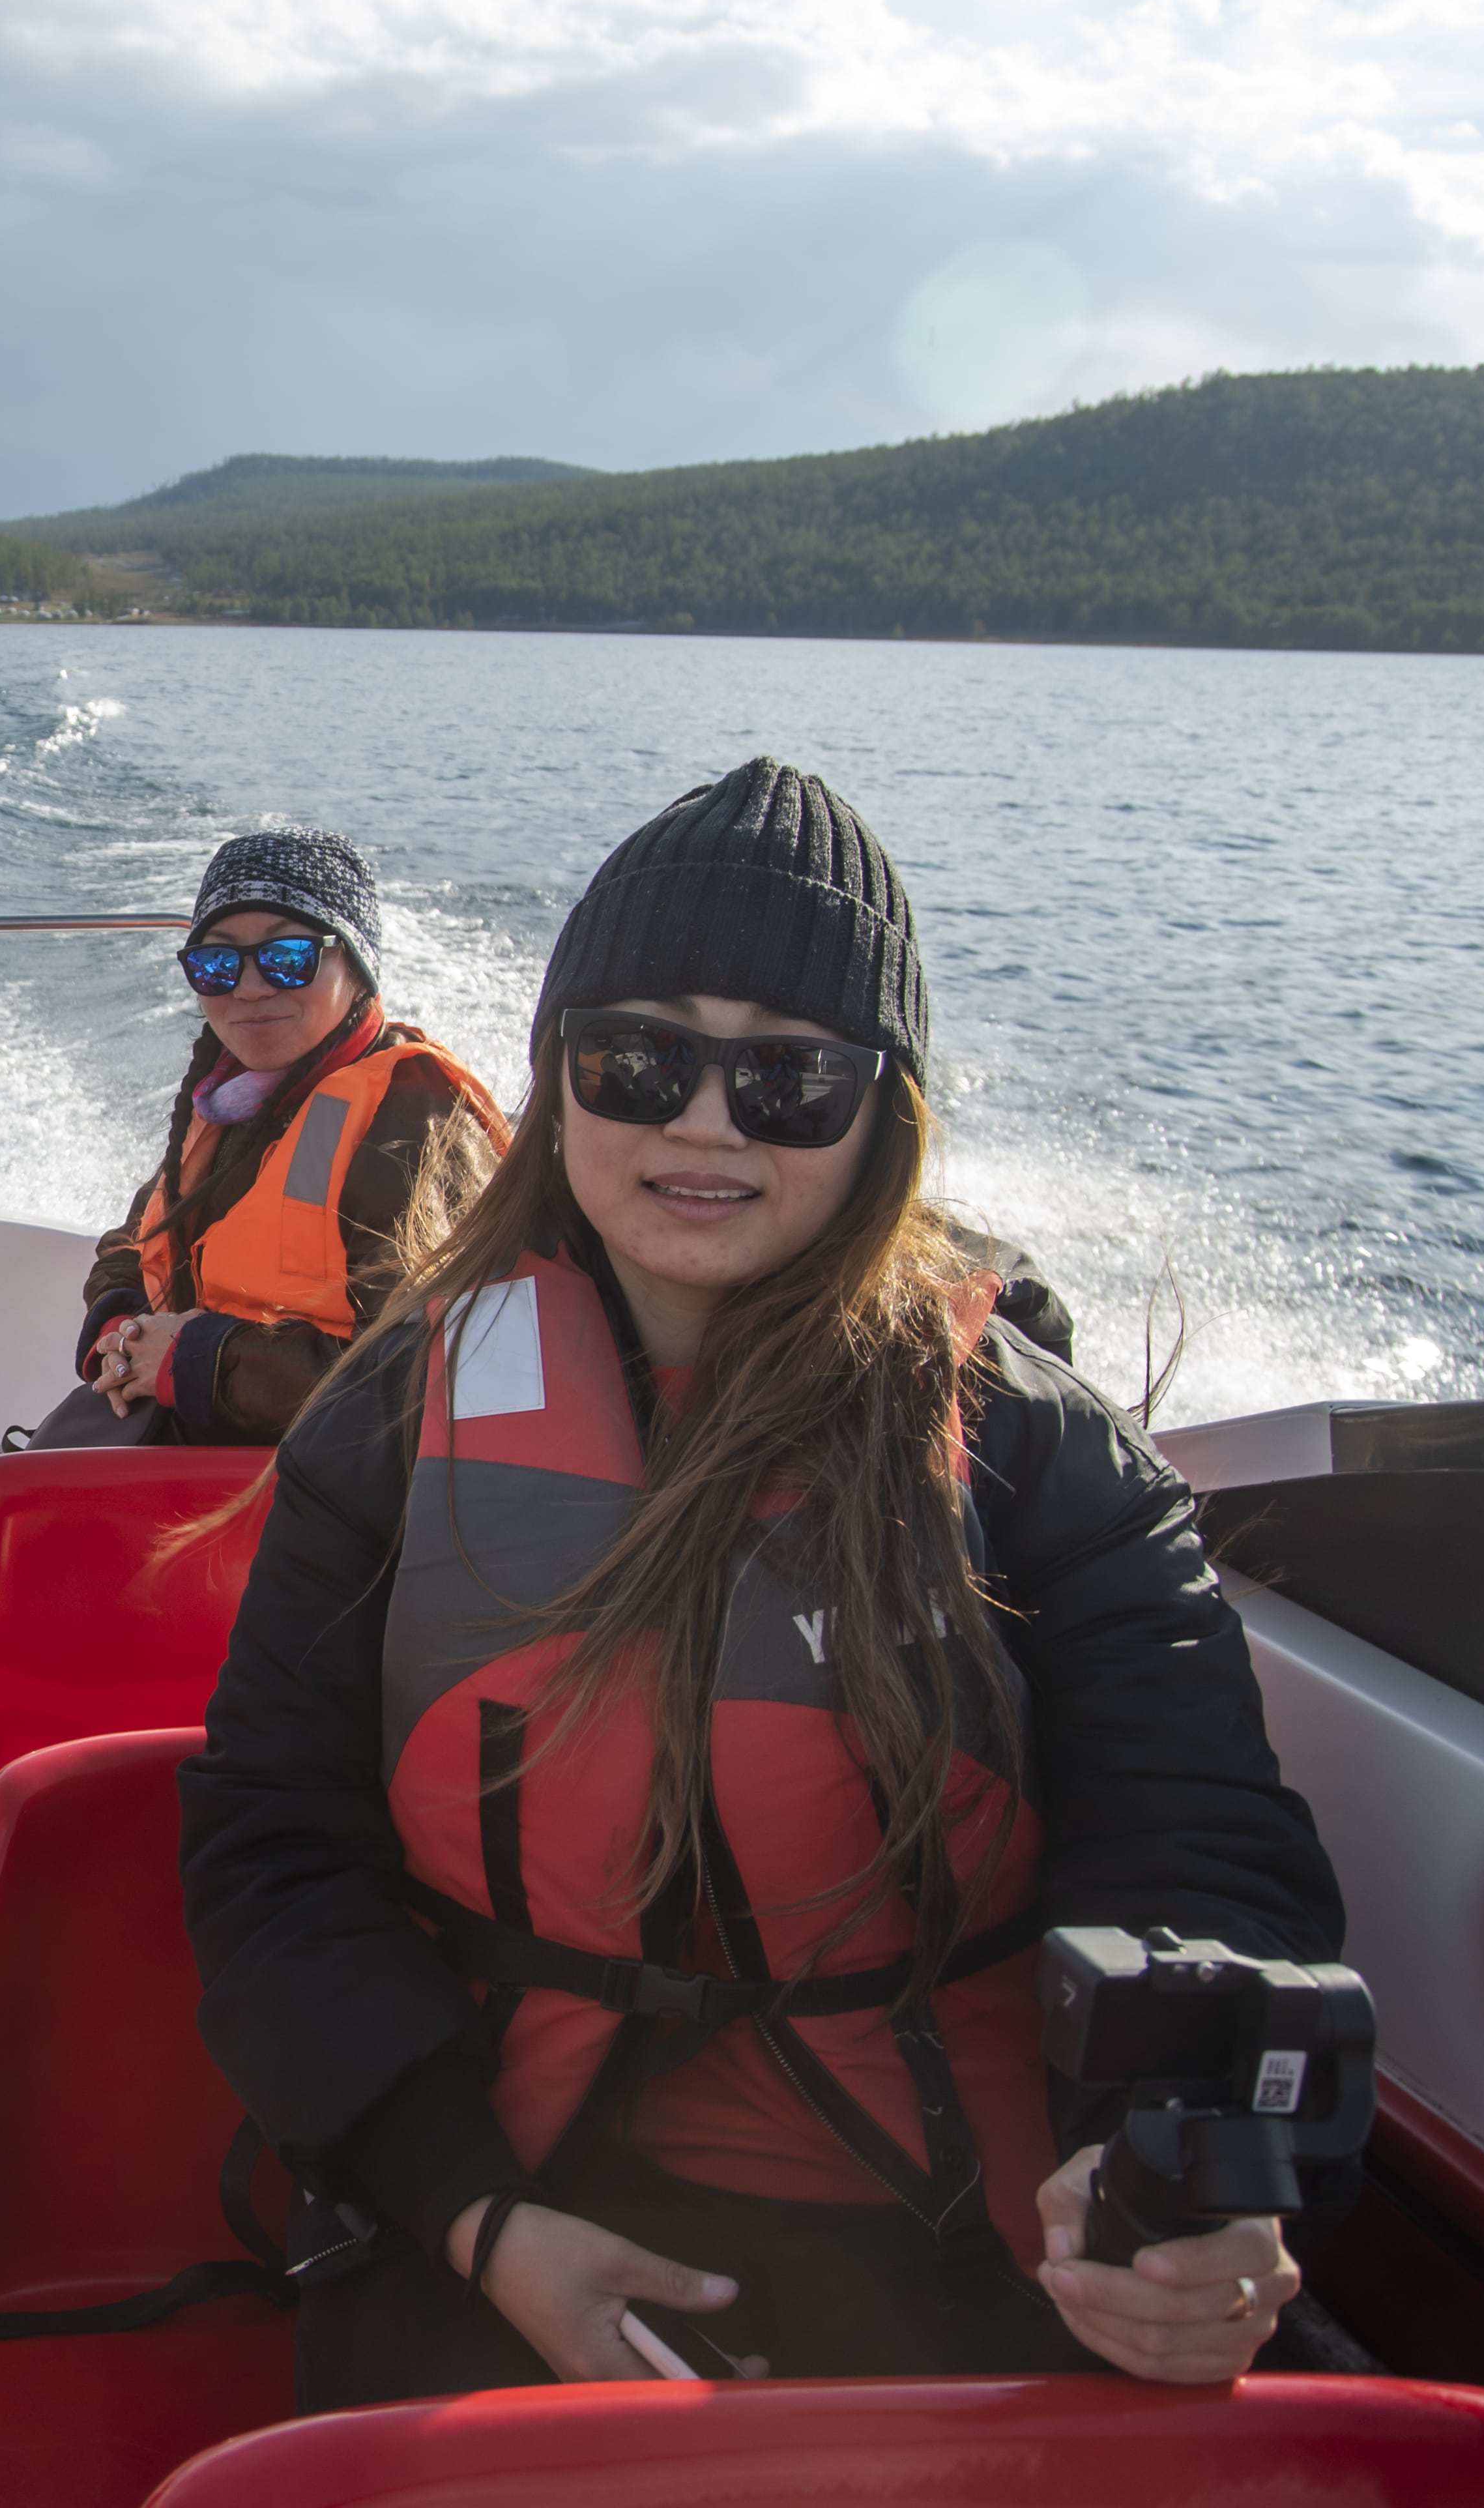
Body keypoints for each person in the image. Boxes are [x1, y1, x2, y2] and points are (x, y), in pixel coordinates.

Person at [179, 761, 1348, 2402]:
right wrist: (471, 2214)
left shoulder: (1044, 1458)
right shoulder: (388, 1422)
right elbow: (271, 1848)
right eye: (638, 1059)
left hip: (976, 2246)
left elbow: (1200, 1851)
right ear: (559, 1075)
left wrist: (1169, 2189)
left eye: (789, 1080)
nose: (706, 1125)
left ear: (885, 1113)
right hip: (486, 2211)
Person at [70, 830, 505, 1446]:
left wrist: (194, 1363)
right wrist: (119, 1323)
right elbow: (145, 1233)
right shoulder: (235, 1097)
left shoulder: (414, 1125)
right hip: (206, 1436)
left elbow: (423, 1375)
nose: (250, 988)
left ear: (356, 968)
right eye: (218, 964)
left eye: (288, 957)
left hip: (329, 1489)